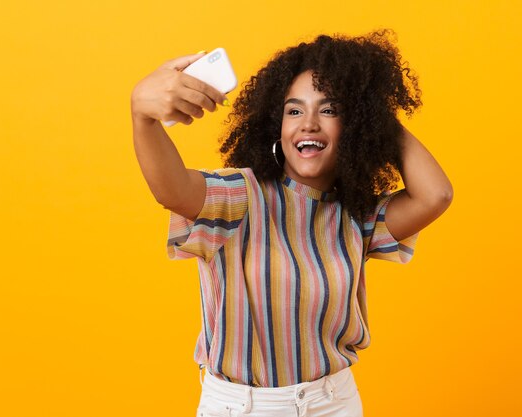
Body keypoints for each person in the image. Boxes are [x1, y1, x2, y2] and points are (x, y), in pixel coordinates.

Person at [130, 30, 453, 417]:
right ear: (276, 125)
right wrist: (142, 117)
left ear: (355, 128)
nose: (309, 124)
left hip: (332, 403)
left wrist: (375, 113)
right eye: (294, 110)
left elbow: (436, 195)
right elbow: (172, 189)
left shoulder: (356, 216)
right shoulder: (239, 197)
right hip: (243, 407)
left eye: (330, 110)